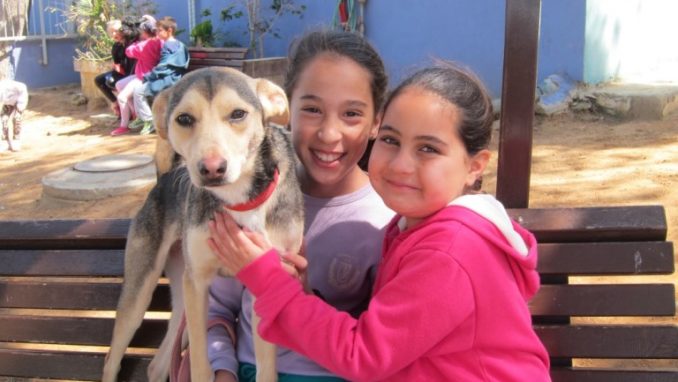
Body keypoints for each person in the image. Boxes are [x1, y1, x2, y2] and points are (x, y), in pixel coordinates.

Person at [207, 62, 552, 381]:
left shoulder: (451, 251)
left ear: (475, 166)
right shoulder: (418, 229)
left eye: (428, 149)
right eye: (390, 140)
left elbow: (364, 356)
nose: (401, 164)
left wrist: (268, 281)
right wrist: (301, 293)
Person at [202, 30, 394, 382]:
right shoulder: (247, 200)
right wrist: (223, 371)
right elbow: (218, 309)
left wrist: (297, 298)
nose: (329, 134)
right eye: (311, 109)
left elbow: (379, 345)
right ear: (285, 108)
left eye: (351, 113)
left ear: (376, 123)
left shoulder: (385, 221)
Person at [129, 16, 189, 135]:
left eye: (159, 30)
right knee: (139, 89)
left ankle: (148, 120)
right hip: (172, 77)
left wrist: (149, 76)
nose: (157, 33)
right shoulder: (179, 44)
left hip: (169, 80)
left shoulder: (168, 45)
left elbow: (164, 67)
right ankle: (143, 118)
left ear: (169, 30)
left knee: (139, 91)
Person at [111, 15, 162, 136]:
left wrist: (133, 41)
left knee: (122, 97)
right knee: (119, 84)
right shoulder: (156, 40)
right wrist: (151, 20)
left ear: (145, 32)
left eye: (141, 31)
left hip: (144, 77)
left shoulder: (145, 45)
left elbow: (129, 52)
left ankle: (125, 126)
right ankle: (138, 115)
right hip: (142, 74)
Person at [93, 19, 137, 115]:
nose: (113, 34)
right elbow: (117, 64)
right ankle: (115, 103)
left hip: (133, 74)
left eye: (116, 31)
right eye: (111, 32)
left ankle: (129, 111)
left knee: (111, 82)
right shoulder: (116, 46)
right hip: (122, 72)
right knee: (99, 80)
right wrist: (115, 67)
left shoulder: (131, 45)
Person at [0, 79, 29, 152]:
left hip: (18, 100)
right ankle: (5, 142)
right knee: (4, 119)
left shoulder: (19, 87)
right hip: (6, 102)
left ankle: (16, 139)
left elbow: (23, 89)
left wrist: (19, 107)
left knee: (17, 118)